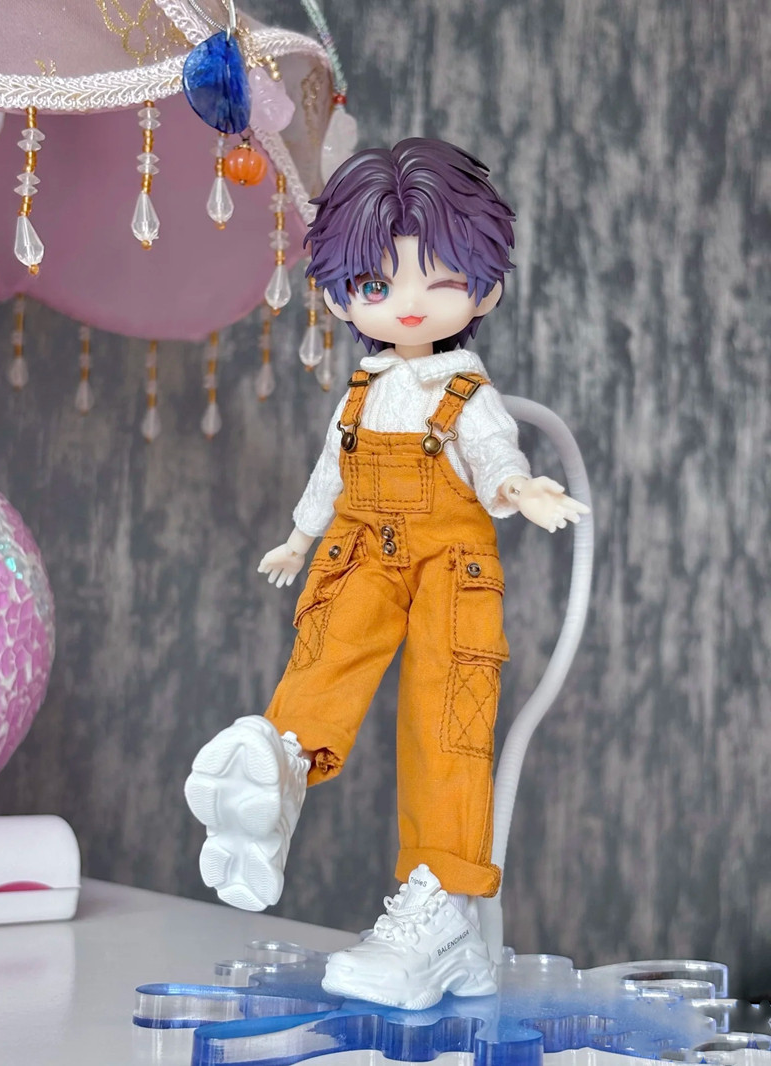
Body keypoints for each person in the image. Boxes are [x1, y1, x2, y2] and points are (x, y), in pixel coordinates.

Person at [184, 139, 588, 1010]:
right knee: (327, 651)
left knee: (447, 716)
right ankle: (283, 766)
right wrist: (299, 540)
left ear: (485, 290)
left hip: (451, 564)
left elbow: (494, 455)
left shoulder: (466, 393)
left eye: (438, 279)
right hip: (360, 545)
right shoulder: (361, 393)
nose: (408, 302)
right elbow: (329, 475)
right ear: (342, 296)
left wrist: (520, 489)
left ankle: (444, 910)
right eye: (377, 283)